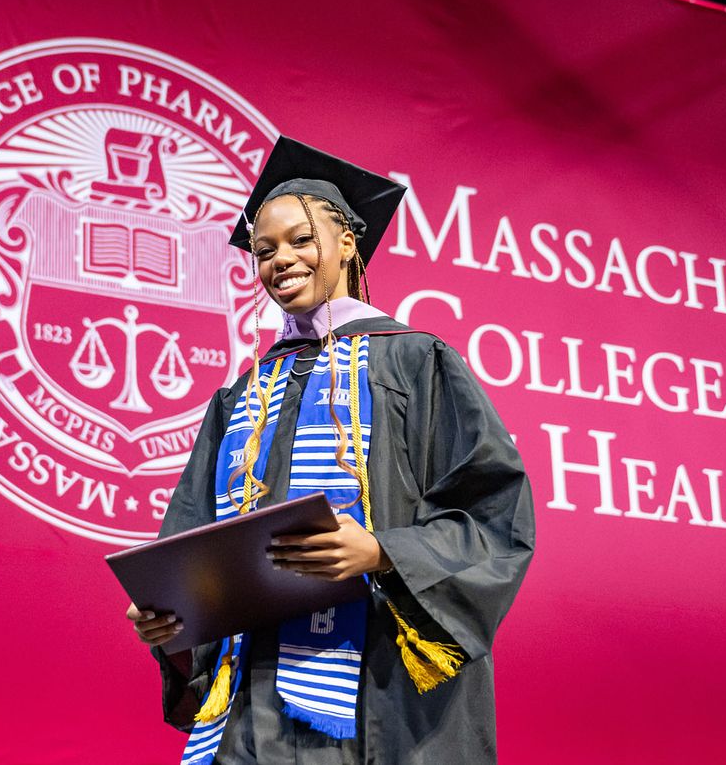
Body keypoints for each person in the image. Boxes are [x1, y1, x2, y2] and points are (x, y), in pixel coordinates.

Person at [126, 137, 534, 764]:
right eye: (264, 251)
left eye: (299, 239)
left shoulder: (416, 361)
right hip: (255, 704)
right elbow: (195, 541)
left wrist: (383, 550)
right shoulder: (239, 399)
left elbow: (493, 516)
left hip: (380, 688)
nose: (279, 260)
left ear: (348, 242)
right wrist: (175, 620)